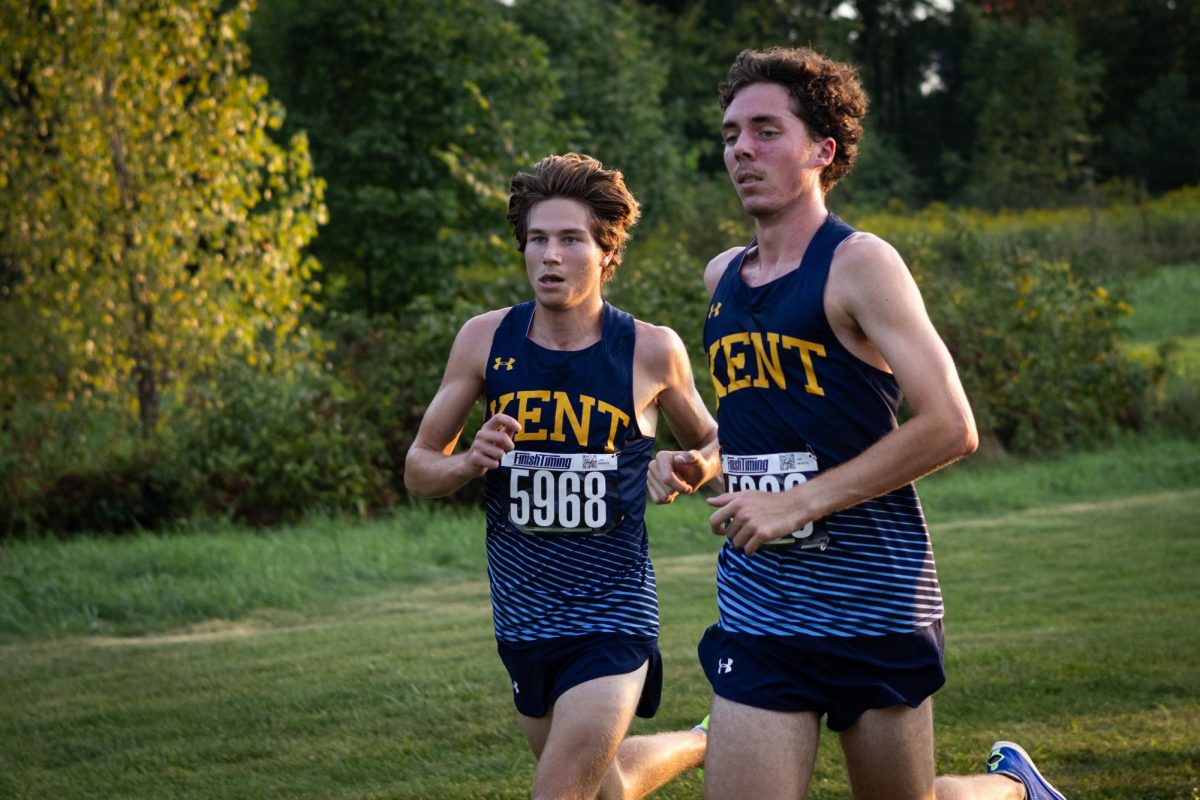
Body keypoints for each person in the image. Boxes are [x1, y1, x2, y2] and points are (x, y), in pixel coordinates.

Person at [649, 48, 1067, 800]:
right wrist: (703, 458)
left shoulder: (859, 264)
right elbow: (765, 420)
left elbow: (949, 425)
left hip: (874, 598)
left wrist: (798, 503)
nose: (741, 148)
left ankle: (1008, 790)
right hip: (761, 603)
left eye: (766, 130)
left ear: (823, 149)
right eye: (730, 133)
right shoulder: (721, 277)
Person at [405, 152, 716, 800]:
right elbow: (418, 468)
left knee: (559, 792)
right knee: (607, 785)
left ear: (606, 252)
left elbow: (715, 444)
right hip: (522, 619)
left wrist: (687, 465)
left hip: (613, 615)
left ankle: (697, 739)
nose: (550, 255)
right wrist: (466, 462)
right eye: (537, 239)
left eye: (570, 239)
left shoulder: (651, 349)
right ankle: (701, 742)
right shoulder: (485, 340)